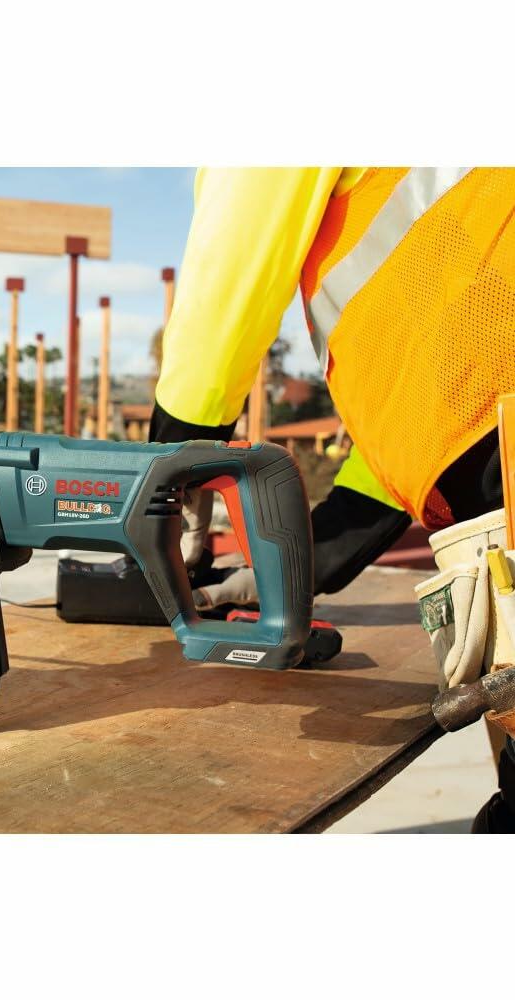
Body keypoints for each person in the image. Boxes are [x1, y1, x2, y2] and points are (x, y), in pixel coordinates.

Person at [153, 168, 515, 832]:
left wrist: (170, 463)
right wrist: (314, 557)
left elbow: (231, 263)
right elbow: (423, 421)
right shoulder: (456, 269)